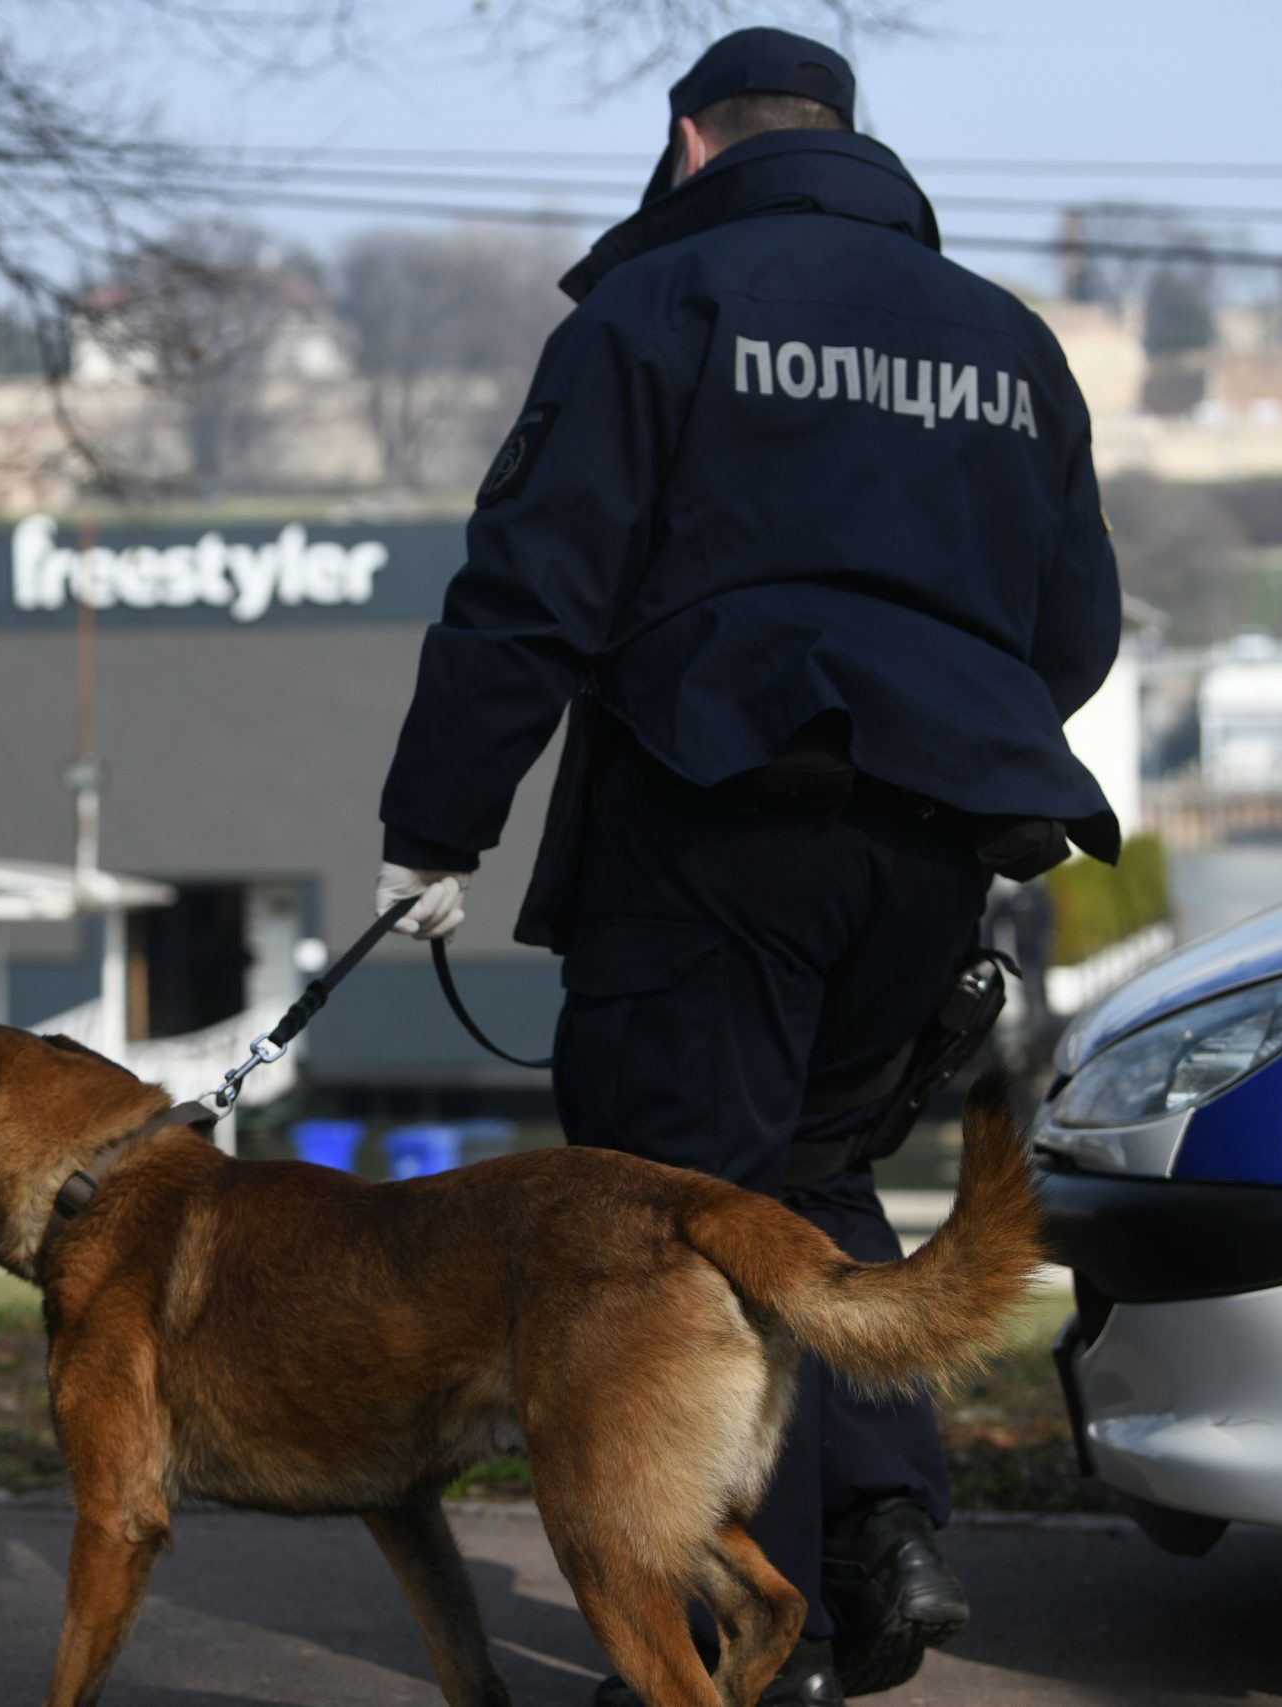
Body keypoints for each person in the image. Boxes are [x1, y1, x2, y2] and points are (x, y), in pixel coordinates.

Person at [373, 26, 1121, 1707]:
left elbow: (530, 590)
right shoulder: (1009, 340)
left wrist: (435, 829)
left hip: (715, 822)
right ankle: (879, 1534)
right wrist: (934, 735)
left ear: (691, 145)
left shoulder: (661, 304)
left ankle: (732, 1645)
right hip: (934, 852)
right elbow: (1076, 629)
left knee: (672, 1225)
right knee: (810, 1178)